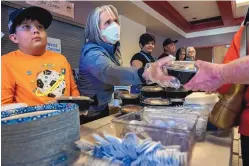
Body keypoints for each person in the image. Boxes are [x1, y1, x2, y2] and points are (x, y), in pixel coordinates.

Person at [77, 5, 179, 123]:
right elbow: (109, 72)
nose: (114, 25)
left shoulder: (111, 50)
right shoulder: (92, 52)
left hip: (102, 107)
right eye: (107, 22)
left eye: (115, 21)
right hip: (87, 113)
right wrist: (146, 73)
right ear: (96, 28)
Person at [1, 7, 80, 106]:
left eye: (40, 27)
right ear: (14, 37)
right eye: (26, 27)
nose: (36, 30)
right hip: (31, 120)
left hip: (66, 119)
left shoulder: (61, 59)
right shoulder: (6, 62)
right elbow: (4, 106)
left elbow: (73, 93)